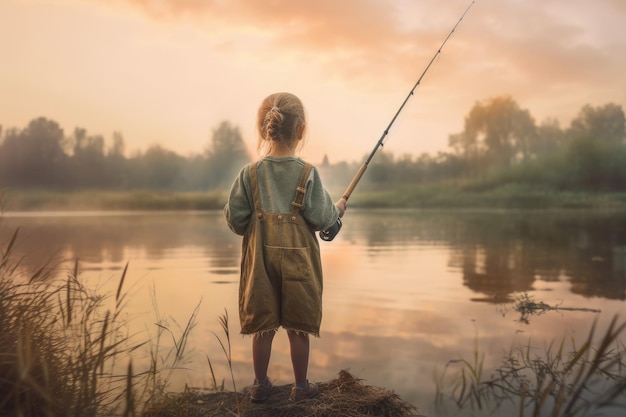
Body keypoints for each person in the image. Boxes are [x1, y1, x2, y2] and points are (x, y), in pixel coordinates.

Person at [224, 92, 347, 403]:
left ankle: (260, 384)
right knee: (298, 326)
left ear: (264, 128)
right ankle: (301, 386)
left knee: (262, 326)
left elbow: (236, 220)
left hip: (260, 264)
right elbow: (322, 218)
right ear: (301, 130)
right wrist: (339, 209)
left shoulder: (249, 174)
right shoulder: (308, 173)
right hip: (299, 264)